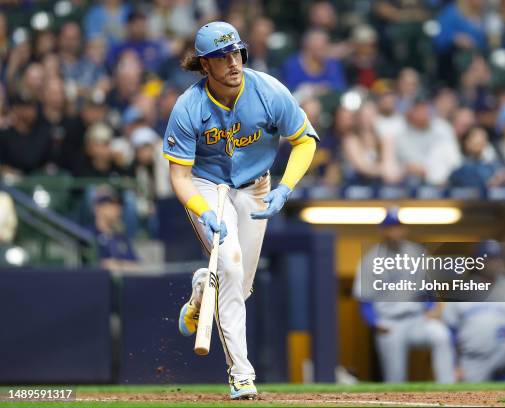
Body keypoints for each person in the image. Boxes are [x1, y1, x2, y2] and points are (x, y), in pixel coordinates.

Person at [165, 22, 318, 399]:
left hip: (256, 187)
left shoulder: (268, 91)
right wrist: (203, 211)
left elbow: (305, 141)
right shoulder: (189, 107)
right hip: (208, 187)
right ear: (205, 65)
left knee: (240, 286)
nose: (232, 62)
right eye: (221, 56)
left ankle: (204, 289)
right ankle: (241, 374)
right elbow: (179, 178)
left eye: (236, 52)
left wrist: (285, 188)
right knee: (230, 268)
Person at [352, 209, 455, 383]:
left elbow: (428, 288)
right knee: (395, 376)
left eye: (398, 227)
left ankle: (448, 387)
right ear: (382, 231)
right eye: (391, 228)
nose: (395, 232)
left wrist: (432, 307)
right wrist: (374, 322)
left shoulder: (416, 252)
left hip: (417, 318)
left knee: (441, 335)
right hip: (389, 322)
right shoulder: (370, 260)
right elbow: (364, 299)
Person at [443, 240, 505, 383]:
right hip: (472, 358)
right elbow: (449, 330)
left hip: (502, 349)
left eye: (497, 258)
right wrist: (454, 364)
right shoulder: (462, 289)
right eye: (489, 259)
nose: (495, 263)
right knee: (460, 393)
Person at [91, 185, 139, 273]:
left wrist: (115, 264)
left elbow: (135, 264)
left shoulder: (120, 236)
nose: (117, 209)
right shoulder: (89, 234)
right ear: (97, 208)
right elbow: (95, 265)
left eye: (118, 205)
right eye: (111, 204)